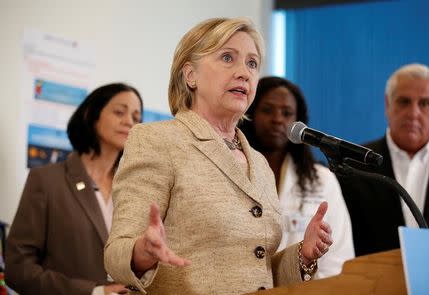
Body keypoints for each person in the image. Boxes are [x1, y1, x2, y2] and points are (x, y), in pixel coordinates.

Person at [104, 17, 333, 294]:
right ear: (190, 75)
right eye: (227, 58)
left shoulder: (259, 163)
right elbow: (115, 254)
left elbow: (252, 270)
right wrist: (142, 251)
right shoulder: (157, 141)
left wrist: (302, 255)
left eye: (252, 63)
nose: (244, 73)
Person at [5, 83, 143, 295]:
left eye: (136, 117)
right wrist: (94, 292)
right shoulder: (46, 180)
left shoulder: (134, 188)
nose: (129, 122)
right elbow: (18, 270)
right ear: (90, 115)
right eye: (119, 112)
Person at [240, 76, 354, 278]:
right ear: (251, 114)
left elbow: (338, 260)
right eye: (267, 110)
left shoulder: (321, 180)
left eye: (287, 113)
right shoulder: (234, 172)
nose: (278, 119)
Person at [338, 63, 429, 256]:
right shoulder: (353, 164)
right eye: (404, 102)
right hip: (373, 282)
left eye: (424, 103)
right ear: (388, 104)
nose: (413, 113)